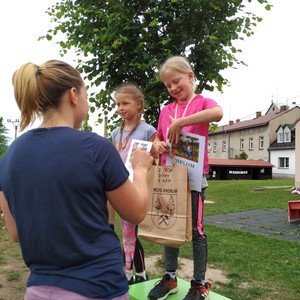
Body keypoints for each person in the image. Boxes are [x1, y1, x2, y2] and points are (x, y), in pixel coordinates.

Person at [0, 60, 154, 300]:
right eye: (86, 94)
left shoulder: (10, 155)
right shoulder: (96, 148)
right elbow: (135, 213)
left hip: (38, 291)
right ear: (73, 94)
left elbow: (15, 232)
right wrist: (141, 169)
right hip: (98, 288)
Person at [147, 56, 223, 300]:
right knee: (170, 225)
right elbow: (158, 137)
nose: (172, 88)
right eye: (167, 85)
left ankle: (199, 284)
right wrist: (158, 145)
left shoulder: (201, 102)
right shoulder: (166, 110)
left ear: (190, 77)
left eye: (176, 81)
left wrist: (182, 122)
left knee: (196, 230)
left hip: (194, 177)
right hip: (171, 178)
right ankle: (170, 278)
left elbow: (218, 113)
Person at [110, 82, 157, 285]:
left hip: (137, 186)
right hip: (119, 187)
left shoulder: (148, 130)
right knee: (126, 232)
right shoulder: (115, 133)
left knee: (131, 232)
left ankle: (132, 273)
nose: (120, 108)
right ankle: (137, 272)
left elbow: (154, 158)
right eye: (118, 104)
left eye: (125, 103)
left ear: (138, 104)